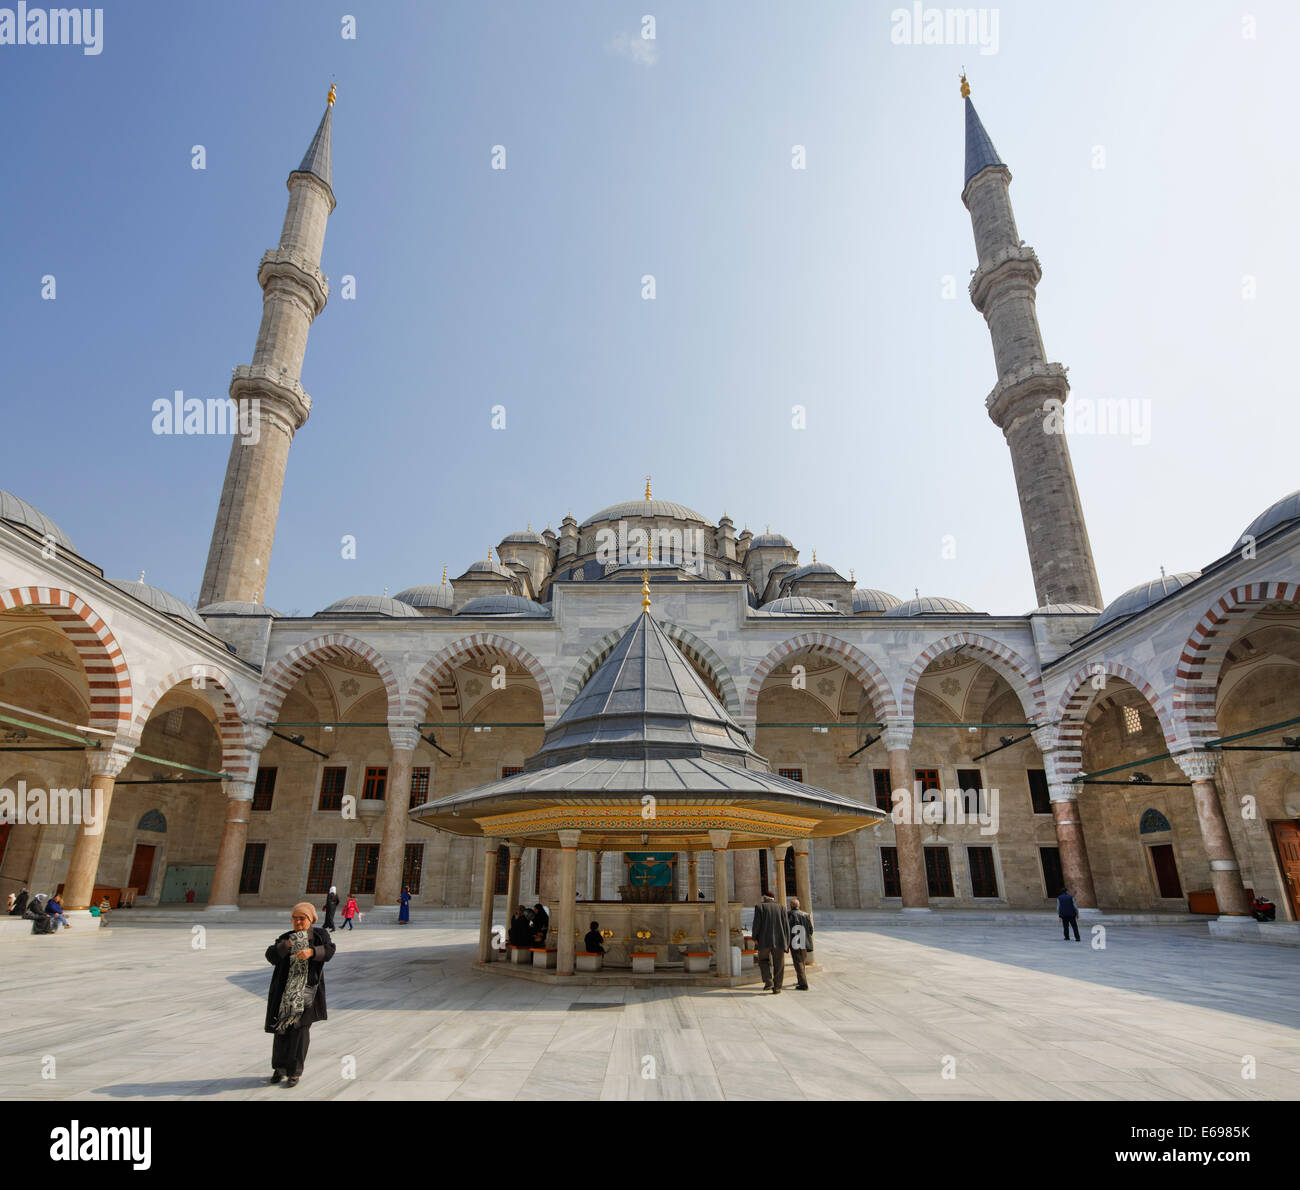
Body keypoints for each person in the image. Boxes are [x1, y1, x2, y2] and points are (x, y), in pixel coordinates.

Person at [264, 902, 335, 1087]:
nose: (298, 922)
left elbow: (329, 950)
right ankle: (279, 1068)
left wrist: (312, 951)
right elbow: (271, 955)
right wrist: (286, 945)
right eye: (295, 918)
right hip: (285, 993)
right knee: (281, 1030)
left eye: (302, 918)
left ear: (310, 919)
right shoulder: (286, 937)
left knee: (300, 1032)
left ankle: (294, 1072)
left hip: (306, 992)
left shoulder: (319, 935)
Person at [751, 893, 790, 993]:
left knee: (763, 960)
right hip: (780, 941)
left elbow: (757, 924)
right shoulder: (781, 908)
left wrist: (754, 937)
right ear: (773, 898)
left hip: (764, 940)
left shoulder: (760, 907)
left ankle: (768, 981)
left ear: (764, 898)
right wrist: (787, 941)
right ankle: (777, 987)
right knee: (779, 964)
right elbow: (786, 926)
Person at [787, 897, 814, 990]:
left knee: (798, 963)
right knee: (801, 961)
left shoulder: (789, 914)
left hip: (794, 942)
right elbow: (810, 929)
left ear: (791, 906)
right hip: (804, 941)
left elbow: (787, 929)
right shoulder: (806, 915)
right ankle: (801, 980)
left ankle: (803, 984)